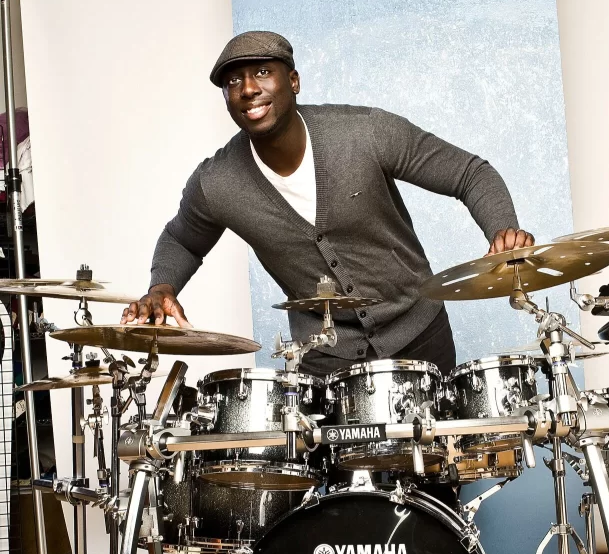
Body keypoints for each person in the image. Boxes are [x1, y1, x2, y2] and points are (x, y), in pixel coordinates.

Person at [121, 31, 534, 377]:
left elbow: (469, 173)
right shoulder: (217, 182)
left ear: (294, 81)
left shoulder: (366, 133)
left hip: (418, 335)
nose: (248, 88)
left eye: (262, 72)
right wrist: (161, 287)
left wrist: (502, 229)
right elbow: (182, 239)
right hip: (321, 359)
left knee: (433, 474)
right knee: (337, 476)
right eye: (233, 81)